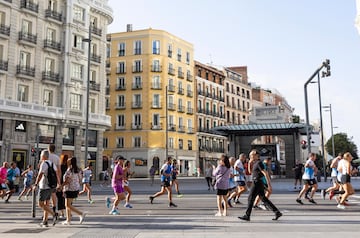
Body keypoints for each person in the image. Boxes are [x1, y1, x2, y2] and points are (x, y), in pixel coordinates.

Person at [238, 149, 282, 221]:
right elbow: (250, 172)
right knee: (263, 199)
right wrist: (249, 163)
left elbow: (265, 173)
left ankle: (247, 215)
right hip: (257, 182)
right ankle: (277, 212)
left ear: (256, 155)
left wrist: (269, 185)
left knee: (250, 198)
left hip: (257, 182)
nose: (250, 156)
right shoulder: (255, 163)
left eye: (251, 155)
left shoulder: (259, 163)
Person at [33, 150, 58, 227]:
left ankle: (54, 214)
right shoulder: (52, 164)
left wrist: (36, 184)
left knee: (40, 204)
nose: (40, 157)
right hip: (51, 186)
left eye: (41, 155)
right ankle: (45, 221)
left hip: (44, 186)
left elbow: (40, 174)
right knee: (46, 203)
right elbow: (56, 173)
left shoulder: (44, 163)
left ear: (43, 156)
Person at [61, 156, 86, 225]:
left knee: (67, 205)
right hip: (75, 188)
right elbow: (80, 180)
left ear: (70, 162)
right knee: (68, 204)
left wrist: (61, 186)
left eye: (68, 160)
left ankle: (80, 213)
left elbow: (67, 181)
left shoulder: (69, 170)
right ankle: (68, 220)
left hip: (69, 189)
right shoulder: (78, 170)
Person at [48, 144, 61, 214]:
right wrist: (59, 181)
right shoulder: (57, 158)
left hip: (46, 178)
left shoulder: (46, 156)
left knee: (46, 195)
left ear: (48, 149)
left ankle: (46, 212)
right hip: (54, 178)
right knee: (53, 194)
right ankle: (54, 208)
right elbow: (59, 170)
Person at [57, 154, 68, 219]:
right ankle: (67, 213)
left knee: (59, 198)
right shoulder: (67, 167)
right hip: (66, 185)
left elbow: (59, 175)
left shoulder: (60, 166)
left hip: (60, 184)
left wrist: (59, 184)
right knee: (66, 199)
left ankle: (62, 213)